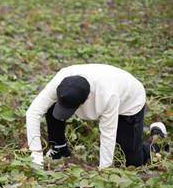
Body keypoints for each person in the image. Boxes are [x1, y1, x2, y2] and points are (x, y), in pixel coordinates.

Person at [25, 64, 166, 168]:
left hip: (129, 101)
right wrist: (36, 153)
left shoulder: (107, 96)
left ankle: (156, 141)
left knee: (133, 160)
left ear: (86, 99)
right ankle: (59, 150)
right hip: (104, 86)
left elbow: (108, 135)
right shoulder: (62, 78)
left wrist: (103, 171)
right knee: (50, 105)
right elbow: (33, 112)